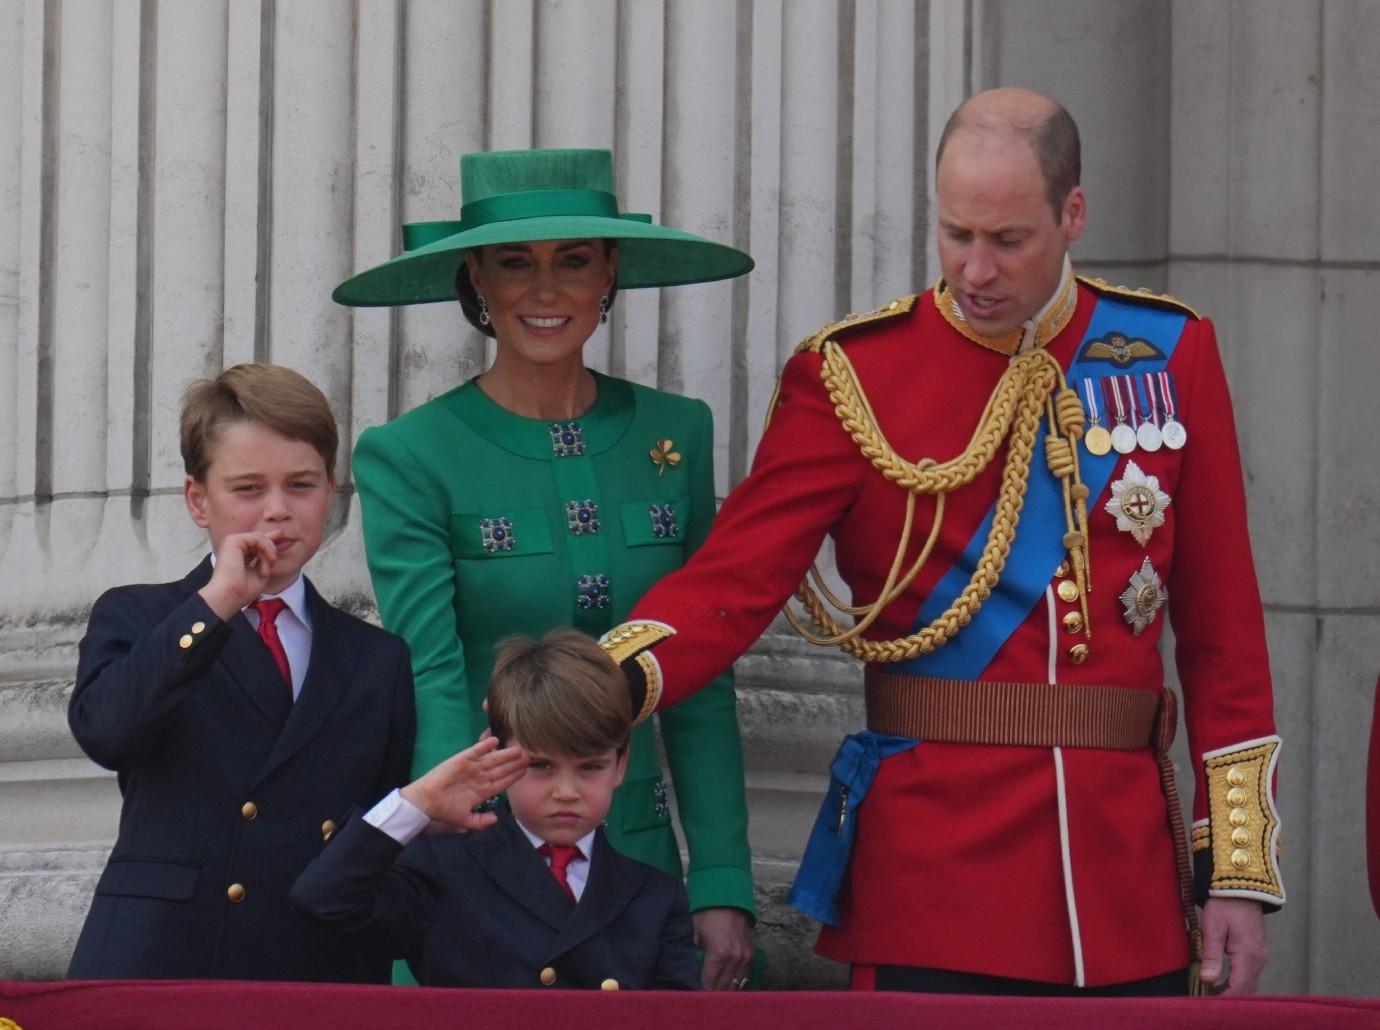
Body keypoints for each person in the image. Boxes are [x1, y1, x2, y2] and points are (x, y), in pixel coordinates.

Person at [601, 88, 1283, 996]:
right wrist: (600, 684)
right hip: (934, 876)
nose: (975, 269)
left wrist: (1235, 873)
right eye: (956, 234)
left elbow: (1223, 635)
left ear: (1073, 214)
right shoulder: (853, 375)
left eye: (1008, 240)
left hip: (1122, 887)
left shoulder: (1169, 351)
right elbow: (732, 582)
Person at [333, 148, 758, 989]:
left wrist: (719, 882)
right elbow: (435, 672)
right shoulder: (410, 454)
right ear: (476, 281)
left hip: (638, 868)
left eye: (573, 261)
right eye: (514, 264)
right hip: (491, 855)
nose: (545, 290)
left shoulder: (677, 432)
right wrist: (462, 849)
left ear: (610, 273)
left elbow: (699, 675)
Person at [66, 363, 416, 982]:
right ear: (199, 500)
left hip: (315, 960)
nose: (277, 511)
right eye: (248, 488)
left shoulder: (376, 657)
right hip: (168, 956)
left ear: (330, 492)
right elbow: (107, 732)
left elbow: (371, 833)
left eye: (301, 486)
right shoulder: (142, 614)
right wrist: (220, 601)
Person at [291, 630, 702, 990]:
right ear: (493, 751)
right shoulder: (444, 868)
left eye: (590, 767)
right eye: (540, 765)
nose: (566, 792)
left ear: (621, 765)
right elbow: (326, 897)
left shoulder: (654, 896)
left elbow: (677, 1017)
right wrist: (416, 802)